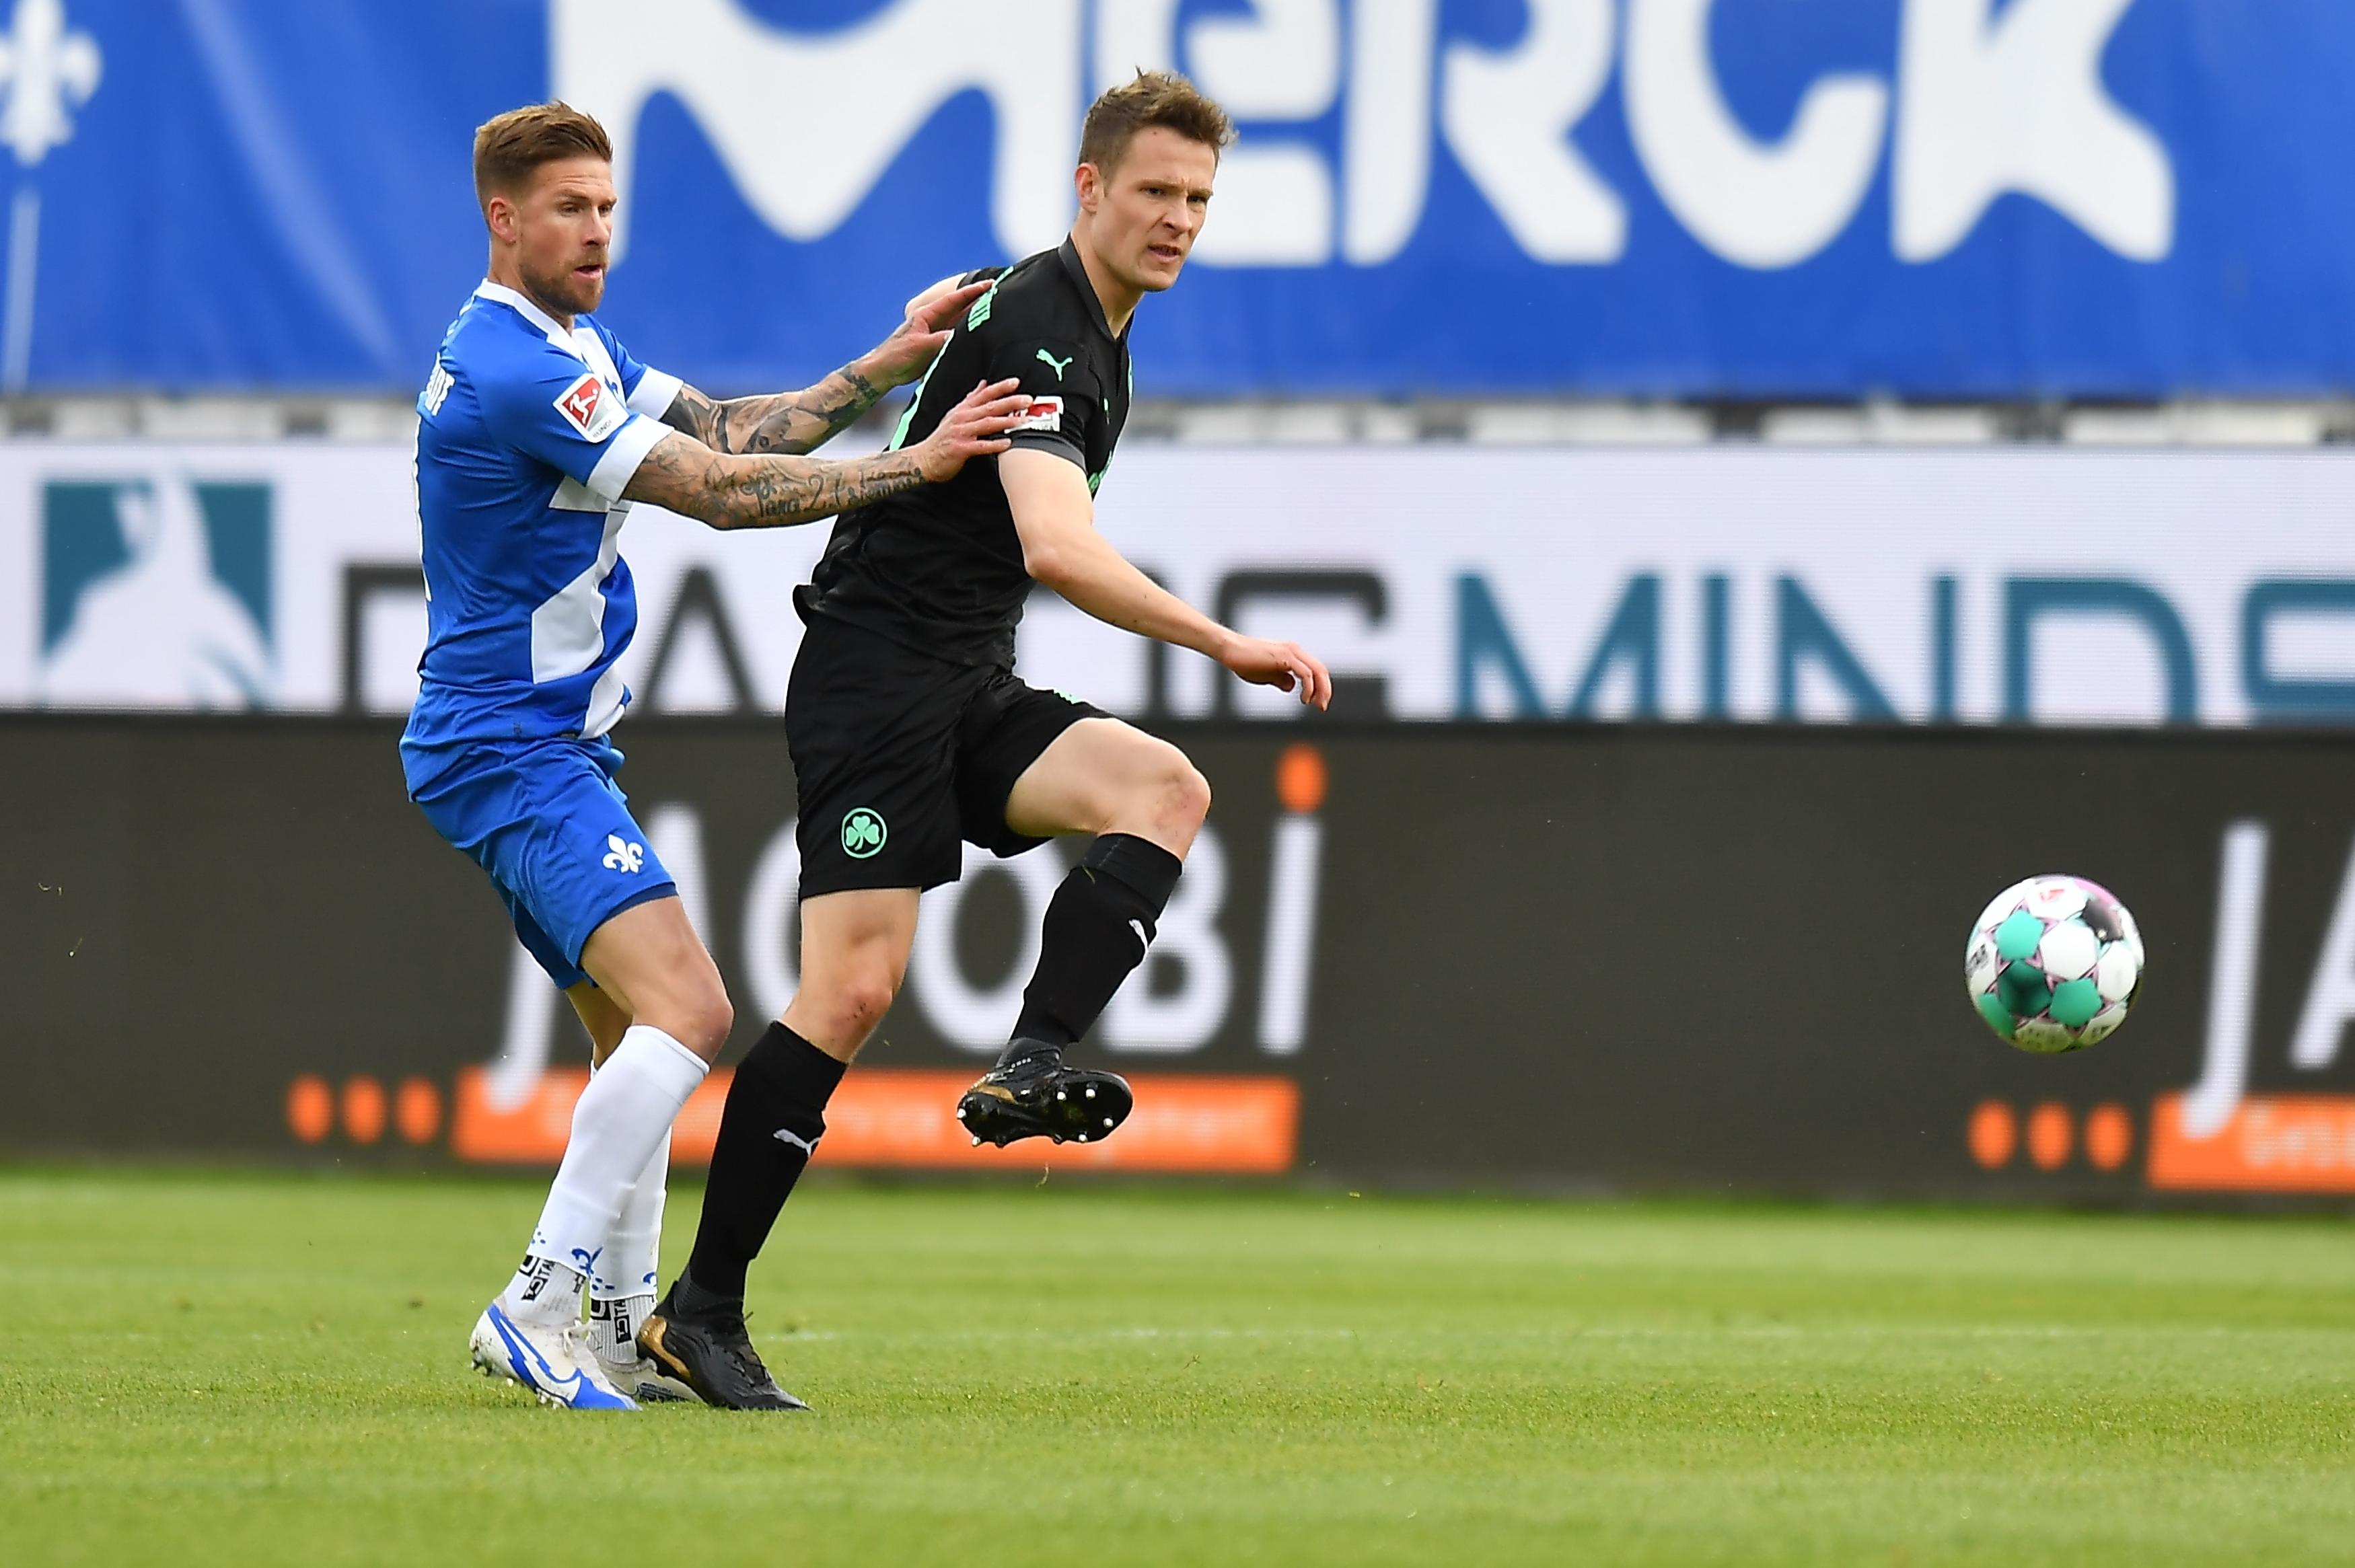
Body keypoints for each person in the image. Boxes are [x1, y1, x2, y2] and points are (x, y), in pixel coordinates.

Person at [637, 71, 1333, 1412]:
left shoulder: (1095, 321)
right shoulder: (1045, 321)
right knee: (847, 992)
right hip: (872, 677)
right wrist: (1225, 641)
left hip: (962, 674)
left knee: (1161, 788)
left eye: (1197, 197)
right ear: (1090, 191)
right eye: (1152, 192)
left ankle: (1028, 1058)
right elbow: (1055, 545)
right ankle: (697, 1311)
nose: (1177, 217)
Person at [404, 102, 1027, 1411]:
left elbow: (739, 431)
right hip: (512, 746)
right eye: (569, 209)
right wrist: (915, 465)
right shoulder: (522, 364)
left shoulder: (570, 343)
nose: (596, 231)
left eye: (608, 207)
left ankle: (623, 1318)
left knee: (631, 1029)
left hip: (531, 741)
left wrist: (880, 369)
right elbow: (724, 497)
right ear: (502, 220)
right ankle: (536, 1300)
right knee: (692, 1010)